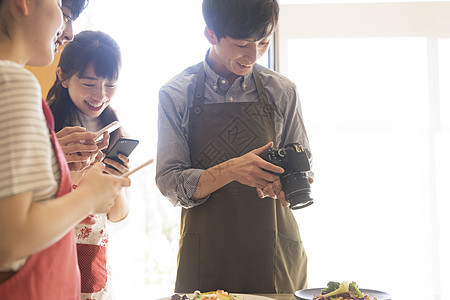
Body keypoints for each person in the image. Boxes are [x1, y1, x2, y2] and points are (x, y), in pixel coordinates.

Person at [156, 0, 313, 294]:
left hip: (275, 249)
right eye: (242, 44)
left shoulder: (282, 91)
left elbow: (302, 158)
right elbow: (169, 182)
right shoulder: (177, 94)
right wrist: (231, 170)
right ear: (210, 34)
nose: (253, 55)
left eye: (264, 42)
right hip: (207, 254)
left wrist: (287, 183)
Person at [0, 0, 131, 299]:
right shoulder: (13, 82)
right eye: (60, 5)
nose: (67, 30)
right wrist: (89, 195)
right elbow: (10, 240)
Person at [47, 30, 130, 300]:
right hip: (44, 255)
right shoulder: (40, 123)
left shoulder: (118, 133)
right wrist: (52, 156)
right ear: (62, 76)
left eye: (111, 84)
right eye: (89, 83)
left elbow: (118, 219)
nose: (101, 95)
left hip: (92, 266)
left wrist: (114, 182)